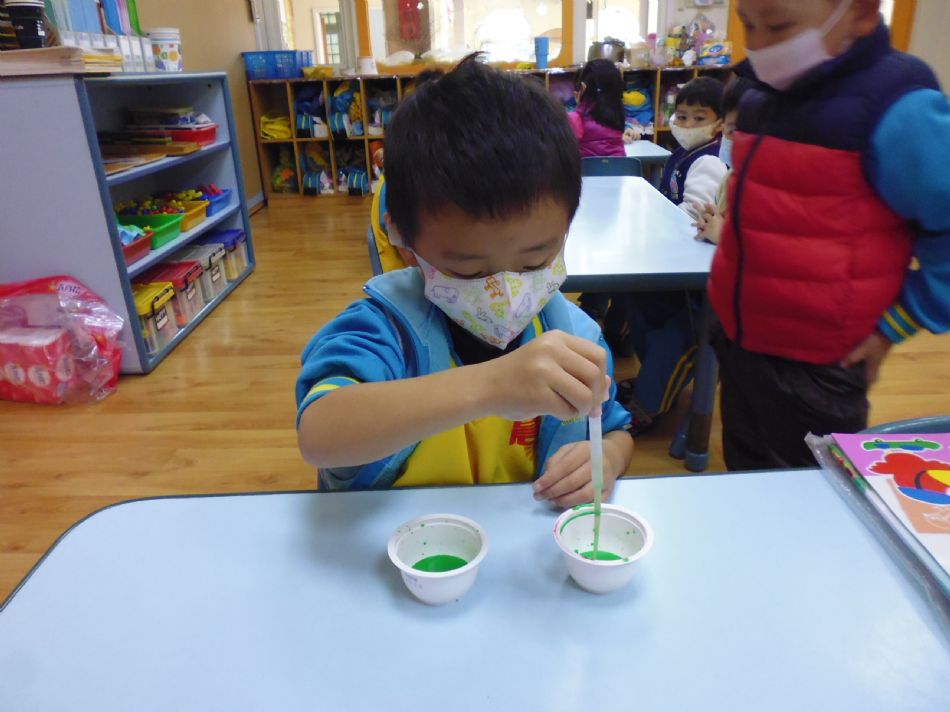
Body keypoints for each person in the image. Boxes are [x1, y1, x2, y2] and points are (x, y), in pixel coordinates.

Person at [296, 56, 635, 506]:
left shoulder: (574, 336)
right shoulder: (385, 330)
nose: (506, 292)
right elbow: (320, 434)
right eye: (471, 271)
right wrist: (491, 387)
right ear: (403, 240)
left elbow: (614, 429)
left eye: (535, 262)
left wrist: (608, 457)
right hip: (402, 542)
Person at [709, 0, 950, 469]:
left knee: (809, 496)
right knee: (746, 475)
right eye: (747, 24)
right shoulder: (761, 95)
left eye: (777, 26)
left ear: (859, 13)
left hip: (819, 369)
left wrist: (897, 324)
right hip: (741, 344)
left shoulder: (899, 108)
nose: (757, 44)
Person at [606, 78, 728, 432]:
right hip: (675, 265)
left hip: (699, 286)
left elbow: (690, 216)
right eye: (683, 116)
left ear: (719, 124)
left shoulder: (710, 162)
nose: (687, 124)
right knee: (640, 303)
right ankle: (652, 385)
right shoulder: (681, 154)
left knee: (674, 338)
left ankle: (648, 404)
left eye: (699, 118)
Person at [694, 76, 757, 244]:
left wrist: (723, 236)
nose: (742, 141)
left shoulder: (776, 192)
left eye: (754, 132)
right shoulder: (730, 178)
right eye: (733, 131)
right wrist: (710, 222)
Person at [568, 59, 627, 158]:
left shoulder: (575, 119)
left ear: (582, 87)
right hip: (619, 167)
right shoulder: (618, 116)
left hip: (586, 168)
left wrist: (580, 107)